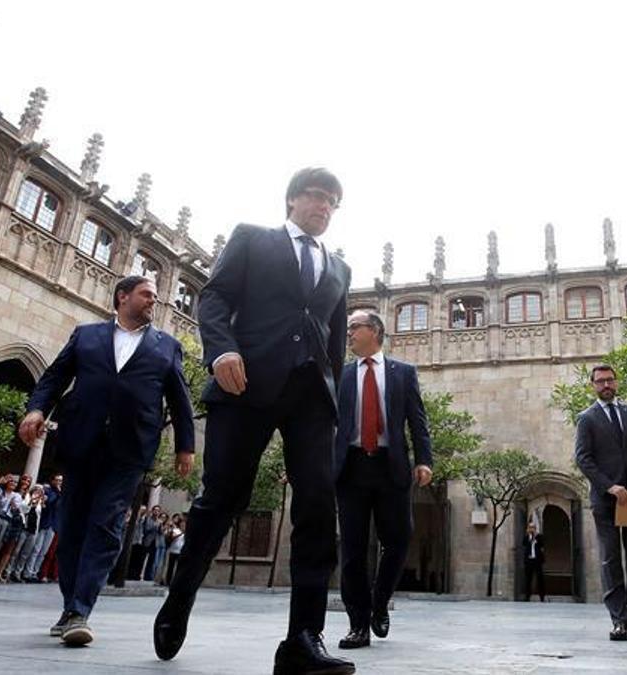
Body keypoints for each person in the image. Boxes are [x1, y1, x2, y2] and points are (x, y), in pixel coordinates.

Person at [153, 167, 354, 675]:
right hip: (245, 384)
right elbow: (215, 297)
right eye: (315, 196)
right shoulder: (253, 239)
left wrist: (333, 396)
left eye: (332, 201)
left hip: (310, 398)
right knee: (223, 498)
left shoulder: (340, 269)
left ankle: (303, 640)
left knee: (315, 506)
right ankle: (179, 598)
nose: (323, 206)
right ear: (291, 200)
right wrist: (220, 351)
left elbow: (333, 340)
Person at [20, 274, 194, 647]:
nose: (154, 301)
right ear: (123, 297)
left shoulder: (167, 346)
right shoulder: (86, 335)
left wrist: (185, 446)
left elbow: (180, 400)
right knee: (72, 527)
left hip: (130, 450)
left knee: (106, 525)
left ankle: (81, 609)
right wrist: (36, 410)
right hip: (80, 441)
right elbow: (54, 377)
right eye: (147, 294)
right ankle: (71, 607)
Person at [334, 309, 432, 650]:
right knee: (352, 550)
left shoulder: (403, 373)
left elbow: (417, 421)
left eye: (353, 327)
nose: (348, 333)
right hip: (351, 468)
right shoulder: (342, 374)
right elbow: (327, 424)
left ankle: (379, 601)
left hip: (391, 468)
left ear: (374, 331)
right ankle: (358, 624)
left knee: (400, 538)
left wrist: (424, 460)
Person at [574, 364, 627, 641]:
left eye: (610, 380)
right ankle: (619, 619)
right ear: (593, 385)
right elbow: (583, 459)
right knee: (610, 559)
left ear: (616, 382)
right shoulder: (586, 418)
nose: (606, 385)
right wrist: (609, 486)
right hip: (606, 500)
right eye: (600, 381)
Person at [521, 522, 546, 602]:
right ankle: (527, 596)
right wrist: (528, 536)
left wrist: (535, 536)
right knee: (528, 579)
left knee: (540, 579)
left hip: (537, 561)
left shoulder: (539, 537)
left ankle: (542, 596)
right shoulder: (527, 537)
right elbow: (523, 544)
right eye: (530, 527)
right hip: (529, 561)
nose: (531, 529)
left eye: (533, 527)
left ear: (535, 528)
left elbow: (542, 545)